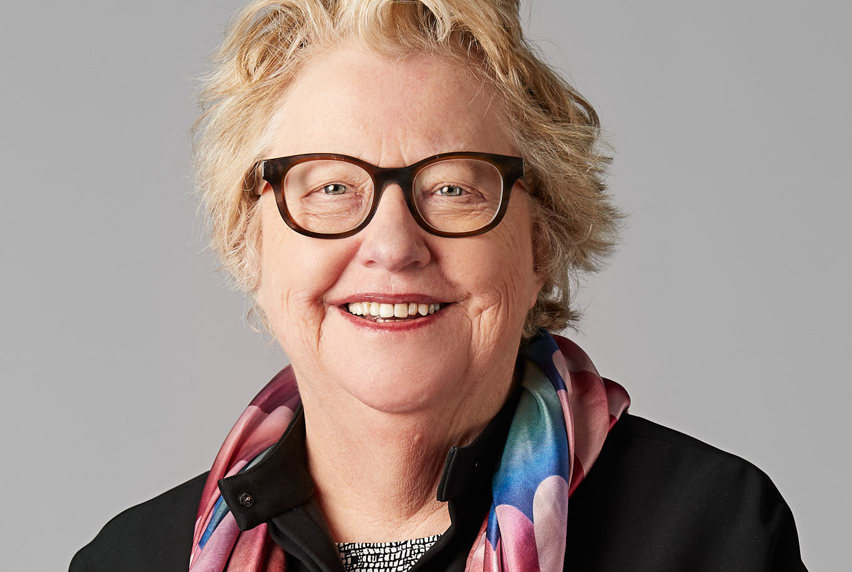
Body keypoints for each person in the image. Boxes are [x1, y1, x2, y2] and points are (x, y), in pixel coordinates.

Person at [70, 0, 807, 570]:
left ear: (540, 242)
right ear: (250, 240)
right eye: (329, 187)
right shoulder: (132, 560)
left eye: (453, 187)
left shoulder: (713, 532)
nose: (392, 245)